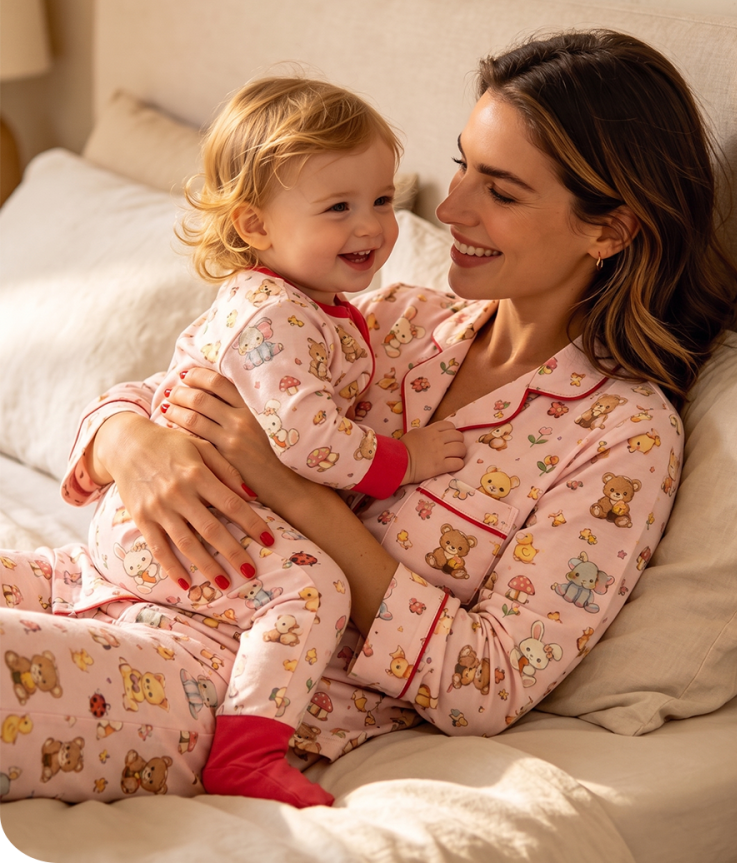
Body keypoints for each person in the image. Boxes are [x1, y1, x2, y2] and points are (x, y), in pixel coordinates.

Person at [0, 31, 737, 805]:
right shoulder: (388, 318)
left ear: (610, 229)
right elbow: (181, 380)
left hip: (216, 681)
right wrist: (132, 443)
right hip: (95, 576)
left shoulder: (622, 439)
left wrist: (292, 494)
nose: (449, 207)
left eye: (501, 189)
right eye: (463, 164)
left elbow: (484, 682)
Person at [0, 77, 465, 807]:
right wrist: (407, 457)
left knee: (33, 574)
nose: (372, 226)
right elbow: (310, 443)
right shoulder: (274, 317)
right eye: (338, 207)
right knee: (313, 589)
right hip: (177, 528)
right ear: (254, 226)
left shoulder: (305, 304)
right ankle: (247, 755)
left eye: (380, 199)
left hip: (144, 533)